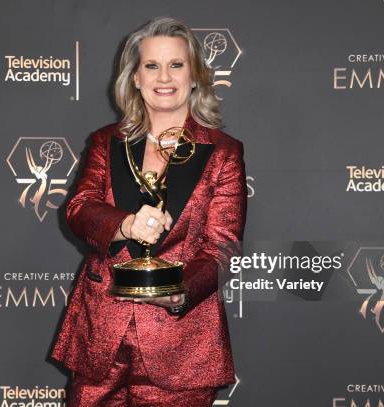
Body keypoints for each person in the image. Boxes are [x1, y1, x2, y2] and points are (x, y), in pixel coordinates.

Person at [50, 17, 247, 407]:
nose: (164, 77)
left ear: (195, 76)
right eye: (151, 66)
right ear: (135, 78)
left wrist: (177, 294)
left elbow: (222, 247)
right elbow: (79, 209)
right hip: (100, 335)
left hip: (182, 341)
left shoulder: (223, 151)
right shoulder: (106, 142)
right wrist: (124, 224)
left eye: (177, 65)